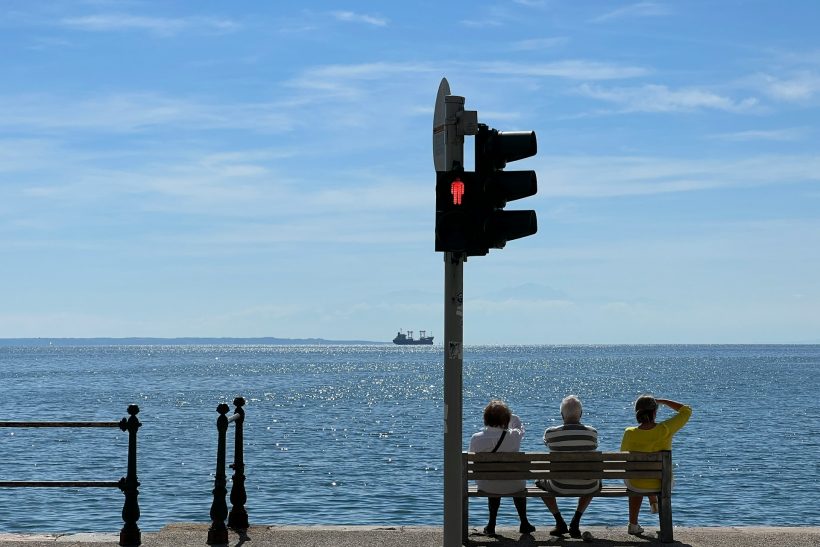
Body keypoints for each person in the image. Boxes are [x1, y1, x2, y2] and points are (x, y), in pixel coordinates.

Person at [621, 395, 692, 536]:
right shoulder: (665, 429)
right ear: (654, 412)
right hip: (662, 483)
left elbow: (625, 459)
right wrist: (663, 401)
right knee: (653, 476)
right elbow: (687, 410)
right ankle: (653, 501)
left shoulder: (629, 433)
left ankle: (633, 524)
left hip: (636, 483)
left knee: (637, 476)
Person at [468, 399, 536, 536]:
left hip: (486, 484)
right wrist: (513, 418)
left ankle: (491, 524)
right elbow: (520, 428)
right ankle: (524, 522)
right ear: (506, 419)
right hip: (514, 484)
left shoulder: (476, 438)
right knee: (514, 480)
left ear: (486, 418)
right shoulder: (514, 436)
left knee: (493, 479)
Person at [535, 395, 599, 538]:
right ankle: (575, 522)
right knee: (594, 481)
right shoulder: (592, 433)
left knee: (538, 482)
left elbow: (547, 443)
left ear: (561, 415)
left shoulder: (551, 433)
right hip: (588, 485)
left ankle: (560, 522)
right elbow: (594, 446)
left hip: (559, 485)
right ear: (581, 414)